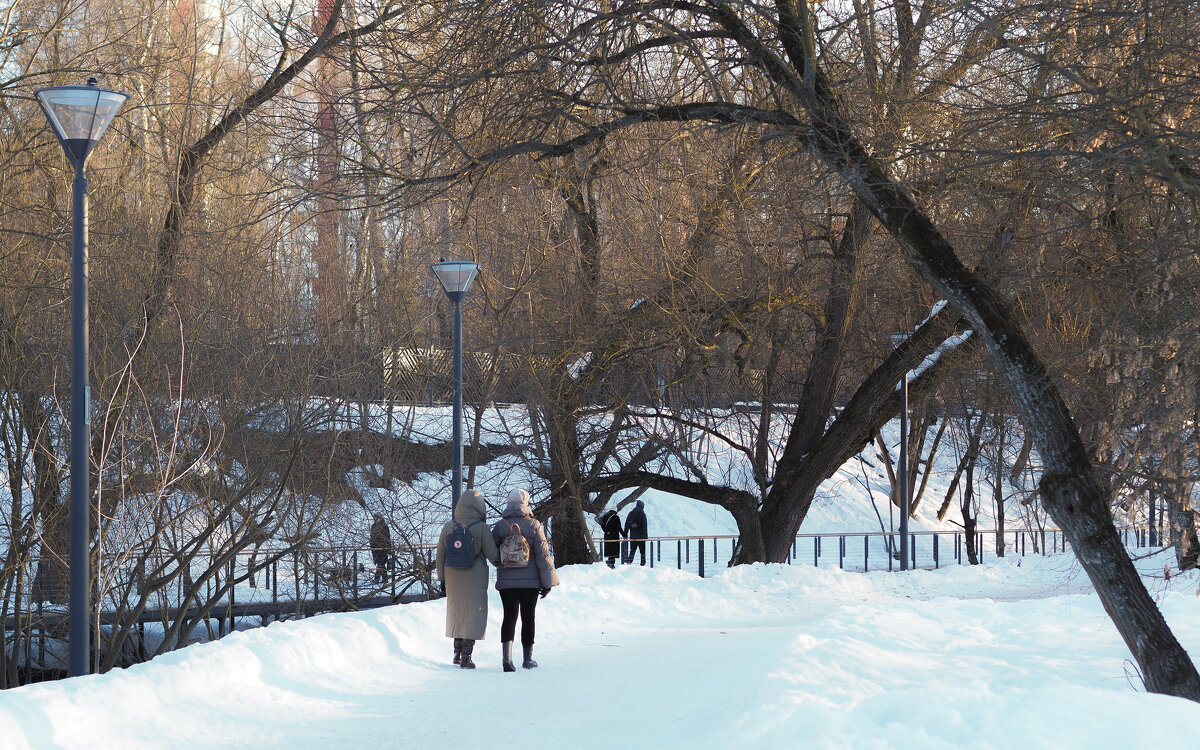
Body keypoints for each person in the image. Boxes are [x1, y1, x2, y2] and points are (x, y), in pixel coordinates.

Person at [491, 488, 559, 672]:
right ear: (526, 503)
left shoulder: (500, 526)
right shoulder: (534, 525)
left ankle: (507, 658)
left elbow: (491, 552)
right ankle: (527, 659)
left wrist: (500, 563)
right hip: (530, 582)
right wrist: (547, 582)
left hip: (507, 582)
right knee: (528, 617)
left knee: (509, 617)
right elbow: (543, 555)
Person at [435, 489, 500, 669]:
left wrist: (442, 579)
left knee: (456, 611)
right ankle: (467, 656)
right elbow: (493, 554)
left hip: (452, 575)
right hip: (475, 575)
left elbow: (440, 554)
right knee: (473, 613)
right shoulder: (481, 528)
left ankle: (456, 654)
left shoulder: (449, 526)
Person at [623, 499, 648, 565]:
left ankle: (629, 562)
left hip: (633, 536)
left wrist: (625, 533)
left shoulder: (631, 513)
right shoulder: (642, 514)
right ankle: (642, 563)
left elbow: (627, 524)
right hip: (641, 537)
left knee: (632, 550)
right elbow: (644, 526)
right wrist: (645, 536)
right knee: (642, 551)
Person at [369, 513, 393, 584]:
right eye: (375, 518)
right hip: (375, 547)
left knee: (380, 563)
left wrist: (388, 547)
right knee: (380, 563)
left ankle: (377, 579)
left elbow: (387, 537)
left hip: (383, 547)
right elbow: (372, 536)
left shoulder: (384, 526)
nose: (376, 519)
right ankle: (385, 578)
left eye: (377, 518)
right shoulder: (373, 526)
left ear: (380, 518)